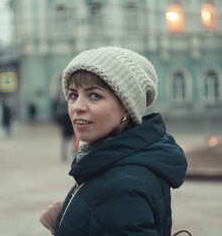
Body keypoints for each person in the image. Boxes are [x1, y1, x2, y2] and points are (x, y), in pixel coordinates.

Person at [40, 47, 188, 236]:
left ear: (127, 108)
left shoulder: (123, 186)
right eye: (73, 95)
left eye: (95, 95)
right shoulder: (115, 163)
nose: (77, 106)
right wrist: (72, 218)